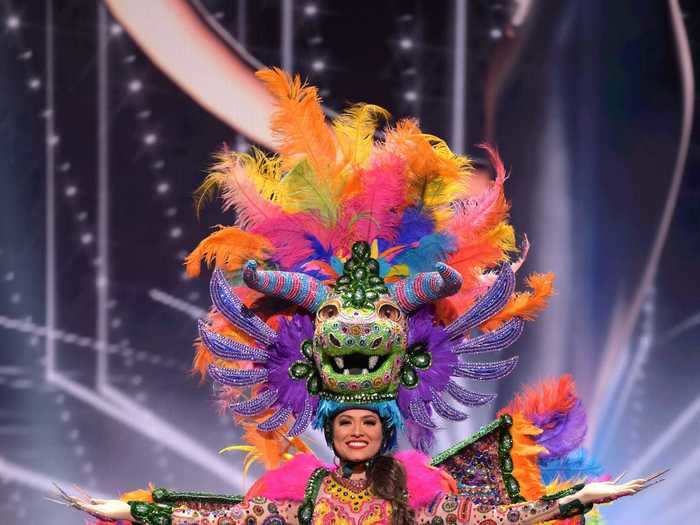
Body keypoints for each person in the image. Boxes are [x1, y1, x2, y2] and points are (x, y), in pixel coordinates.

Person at [56, 69, 662, 524]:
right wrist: (132, 513)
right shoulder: (303, 497)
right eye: (346, 421)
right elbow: (223, 520)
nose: (354, 431)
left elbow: (496, 519)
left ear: (385, 428)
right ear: (330, 425)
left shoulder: (422, 496)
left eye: (365, 422)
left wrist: (574, 498)